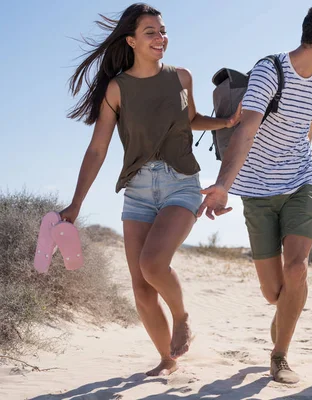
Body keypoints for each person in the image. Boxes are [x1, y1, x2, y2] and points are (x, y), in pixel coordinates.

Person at [59, 3, 240, 376]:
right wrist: (76, 203)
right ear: (131, 40)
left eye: (162, 31)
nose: (161, 38)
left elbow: (190, 121)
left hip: (181, 183)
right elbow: (97, 149)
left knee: (153, 263)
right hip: (138, 190)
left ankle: (182, 315)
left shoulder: (182, 78)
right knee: (141, 288)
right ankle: (166, 360)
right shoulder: (117, 89)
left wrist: (225, 122)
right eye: (151, 32)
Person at [197, 1, 312, 384]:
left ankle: (279, 355)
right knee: (274, 292)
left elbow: (308, 125)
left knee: (297, 268)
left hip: (301, 182)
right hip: (257, 191)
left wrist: (303, 149)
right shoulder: (271, 71)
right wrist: (223, 186)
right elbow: (245, 132)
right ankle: (286, 312)